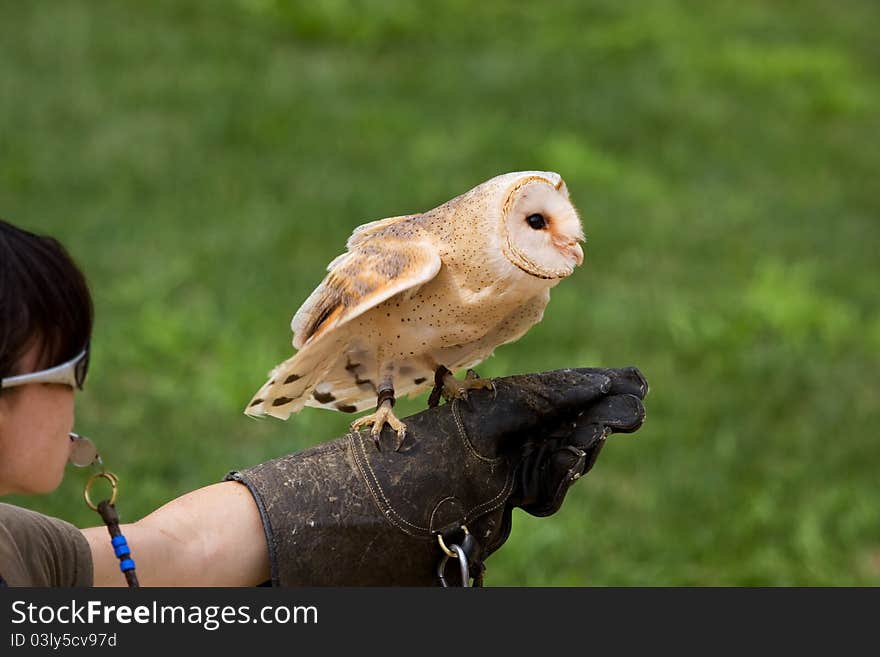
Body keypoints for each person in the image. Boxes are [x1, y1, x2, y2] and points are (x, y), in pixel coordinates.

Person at [0, 219, 648, 587]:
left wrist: (374, 488)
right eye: (68, 365)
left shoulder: (15, 546)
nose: (81, 389)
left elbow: (167, 553)